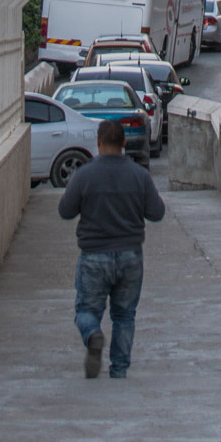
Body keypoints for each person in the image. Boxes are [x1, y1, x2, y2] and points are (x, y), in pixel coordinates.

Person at [58, 119, 165, 379]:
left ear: (98, 142)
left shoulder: (84, 175)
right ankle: (119, 369)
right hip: (130, 255)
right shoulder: (139, 175)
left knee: (86, 312)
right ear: (124, 143)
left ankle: (93, 334)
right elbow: (157, 213)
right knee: (125, 315)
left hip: (94, 256)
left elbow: (65, 211)